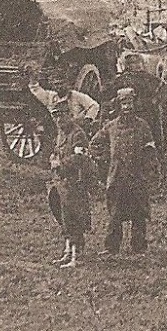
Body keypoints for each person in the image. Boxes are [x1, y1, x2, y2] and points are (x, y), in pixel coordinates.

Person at [90, 88, 156, 256]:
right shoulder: (111, 126)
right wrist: (104, 162)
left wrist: (149, 170)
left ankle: (139, 246)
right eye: (124, 103)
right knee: (115, 214)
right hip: (117, 177)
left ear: (135, 103)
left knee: (139, 213)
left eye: (130, 103)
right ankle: (111, 247)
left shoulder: (143, 125)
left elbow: (150, 150)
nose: (127, 107)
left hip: (137, 176)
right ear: (119, 105)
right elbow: (95, 144)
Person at [46, 96, 94, 268]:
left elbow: (80, 157)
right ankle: (67, 252)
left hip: (75, 183)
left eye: (61, 116)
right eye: (56, 116)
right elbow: (56, 151)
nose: (59, 120)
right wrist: (53, 158)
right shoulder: (61, 135)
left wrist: (62, 163)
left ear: (69, 115)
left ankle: (76, 256)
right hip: (61, 184)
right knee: (65, 219)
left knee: (74, 219)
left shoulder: (77, 134)